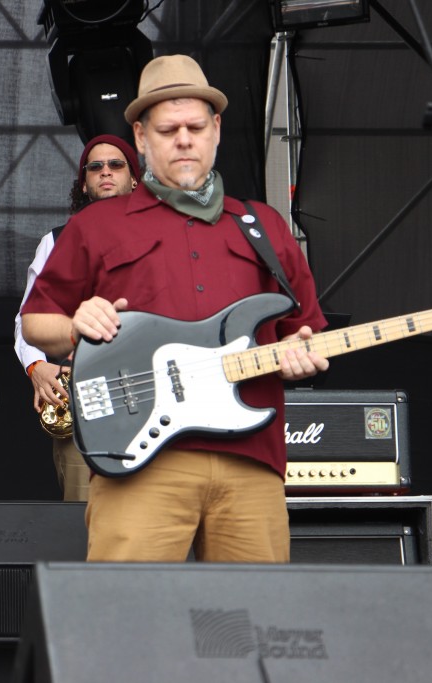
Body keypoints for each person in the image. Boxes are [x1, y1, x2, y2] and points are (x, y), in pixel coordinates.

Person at [21, 55, 329, 564]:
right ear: (142, 137)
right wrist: (75, 323)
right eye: (168, 130)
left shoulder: (265, 226)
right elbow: (35, 322)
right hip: (139, 461)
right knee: (130, 607)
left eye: (196, 127)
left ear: (217, 130)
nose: (184, 140)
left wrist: (302, 354)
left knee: (255, 611)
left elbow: (305, 333)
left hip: (252, 463)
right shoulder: (96, 226)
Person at [13, 134, 141, 501]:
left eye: (116, 165)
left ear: (135, 179)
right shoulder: (56, 240)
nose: (105, 172)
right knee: (84, 515)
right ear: (83, 183)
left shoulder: (160, 233)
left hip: (150, 389)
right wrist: (36, 365)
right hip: (84, 395)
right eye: (95, 167)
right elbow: (27, 318)